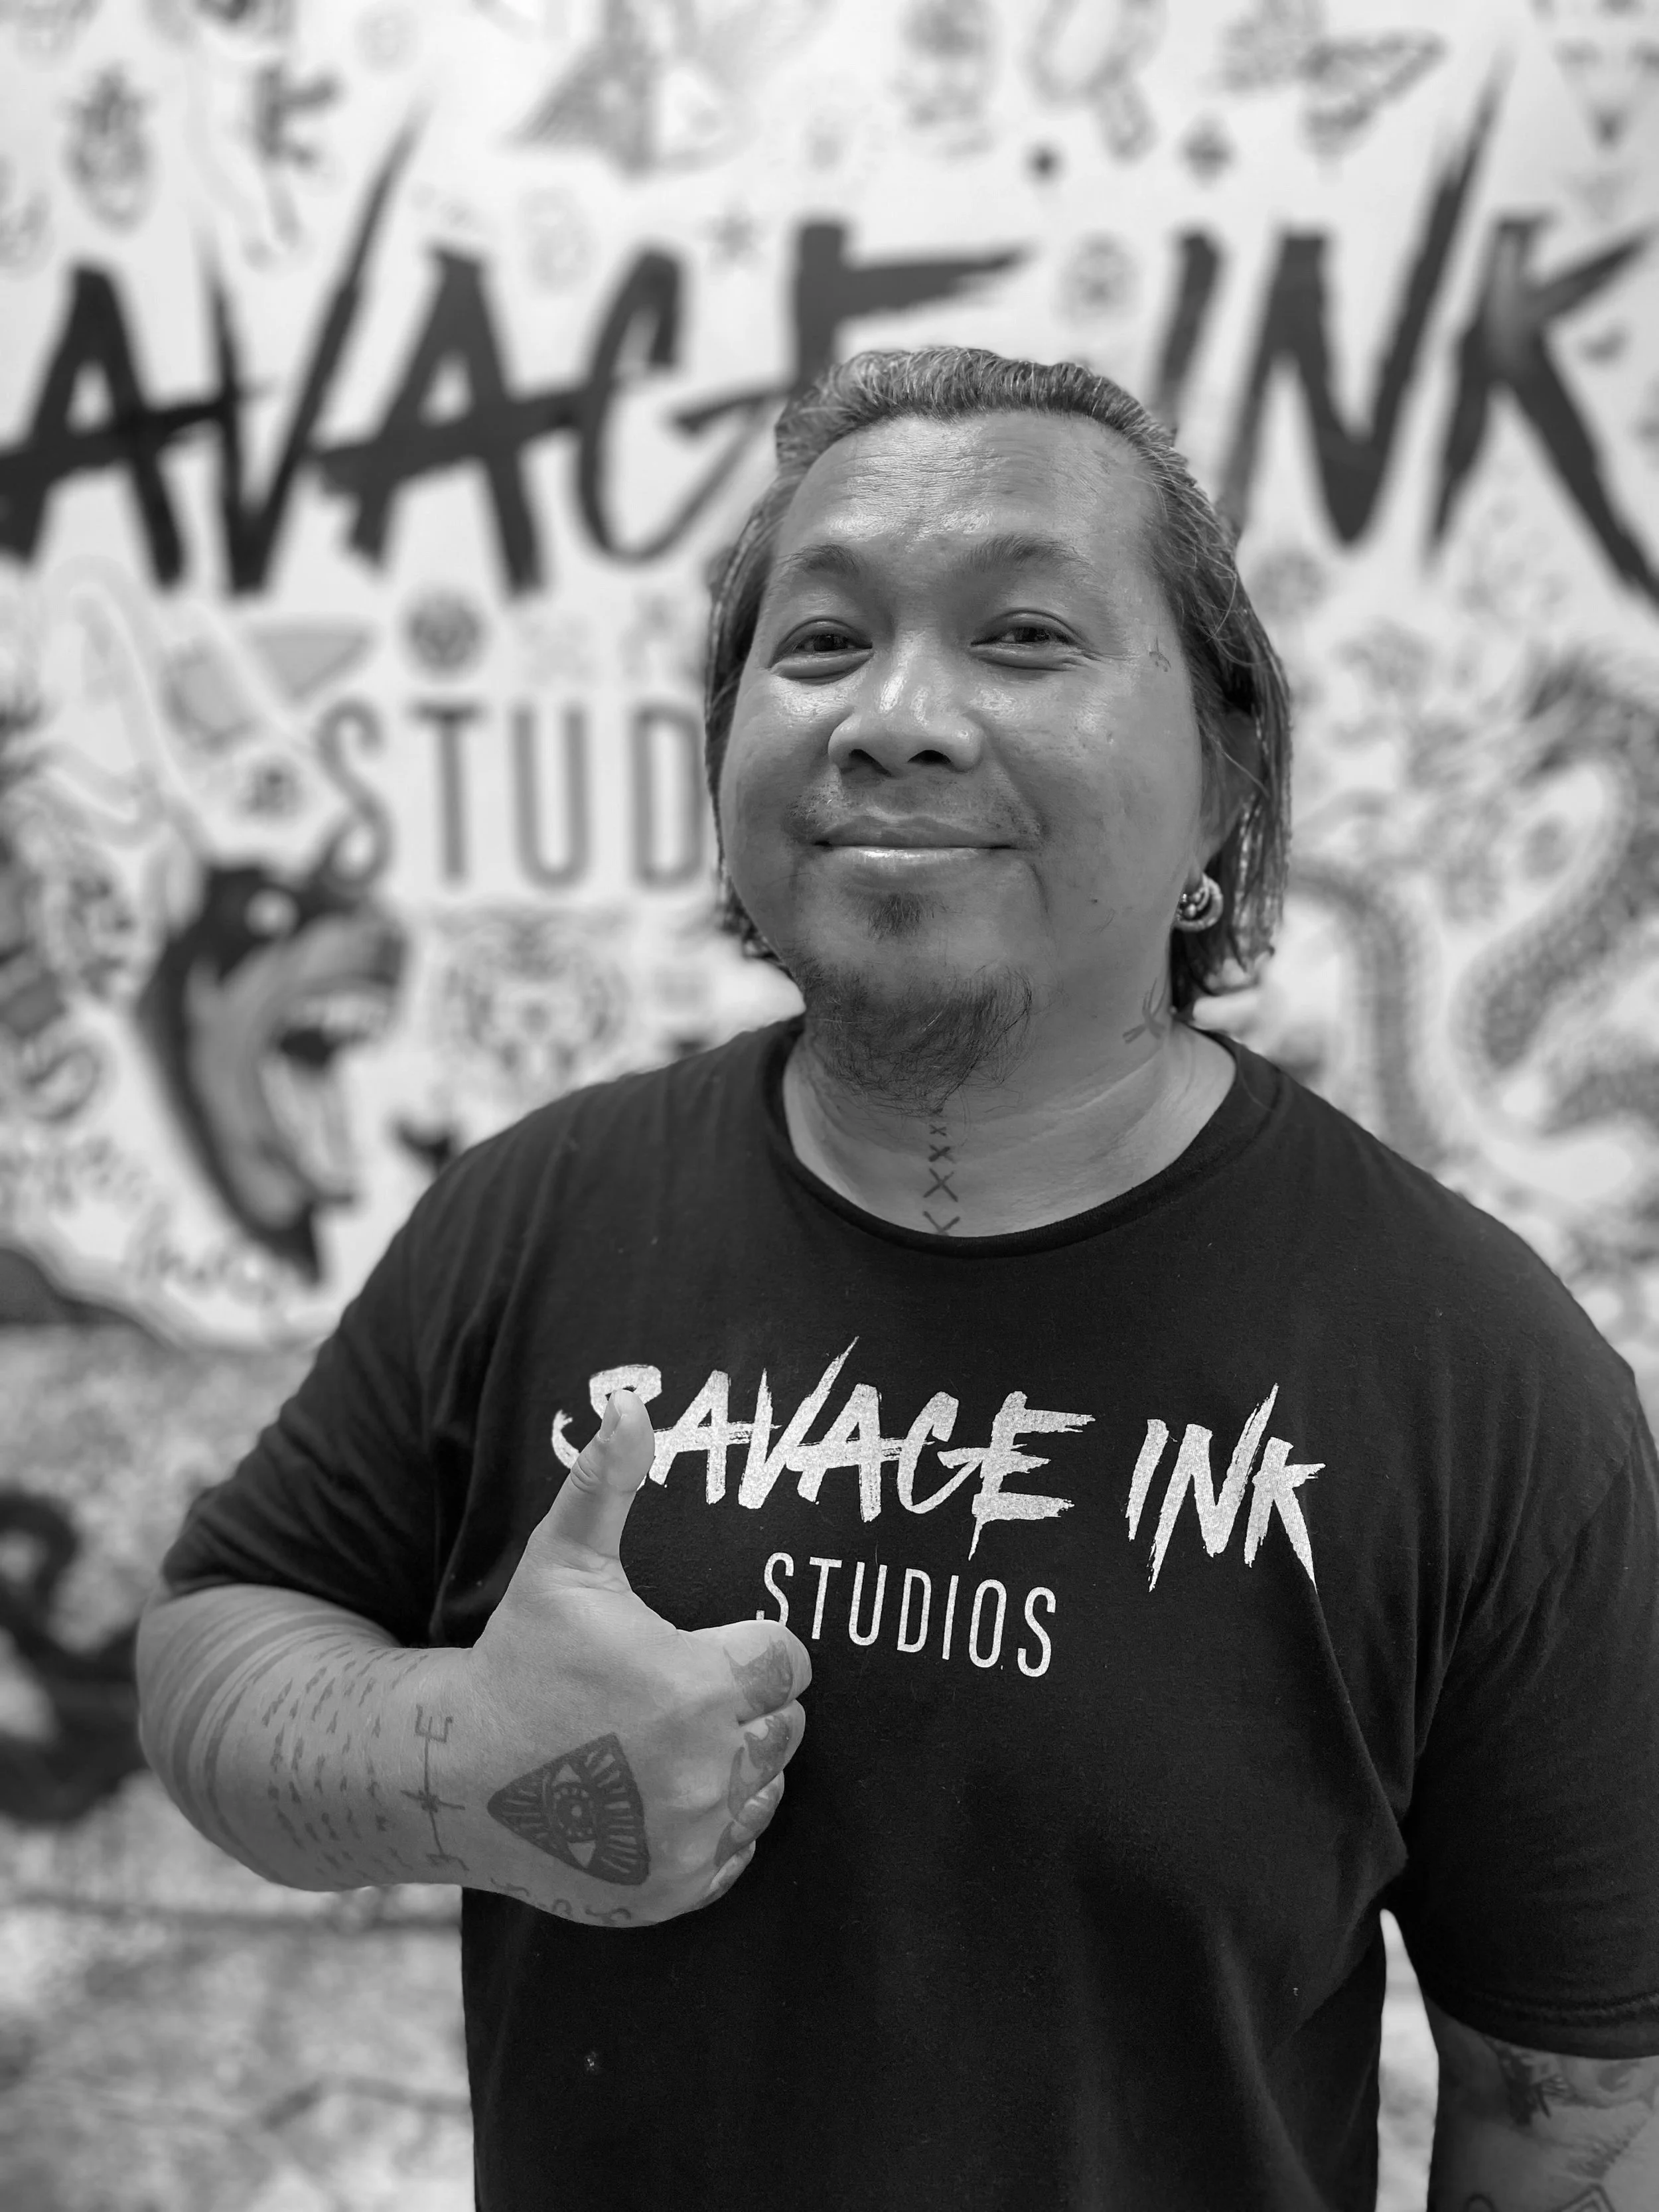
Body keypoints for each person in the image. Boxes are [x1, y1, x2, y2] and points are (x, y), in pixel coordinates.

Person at [137, 348, 1659, 2211]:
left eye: (1025, 635)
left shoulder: (1479, 1373)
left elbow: (1565, 2106)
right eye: (821, 642)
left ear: (1224, 778)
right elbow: (215, 1635)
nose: (896, 718)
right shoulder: (531, 1216)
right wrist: (465, 1762)